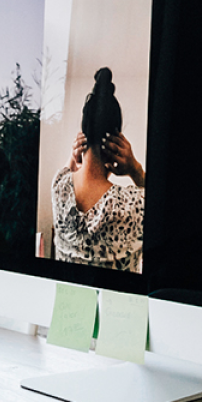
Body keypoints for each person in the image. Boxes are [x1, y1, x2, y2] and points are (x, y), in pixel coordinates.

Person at [51, 67, 145, 272]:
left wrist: (74, 156)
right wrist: (135, 169)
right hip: (113, 304)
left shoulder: (59, 188)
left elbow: (67, 171)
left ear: (83, 134)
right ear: (117, 142)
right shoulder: (136, 204)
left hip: (69, 303)